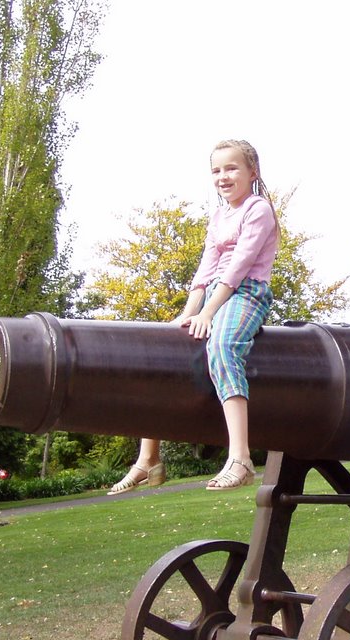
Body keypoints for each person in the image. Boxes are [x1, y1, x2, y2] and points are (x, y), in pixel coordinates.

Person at [108, 139, 279, 494]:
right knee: (165, 351)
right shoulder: (219, 216)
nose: (223, 176)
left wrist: (210, 312)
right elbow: (207, 269)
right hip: (216, 293)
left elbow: (238, 266)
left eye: (231, 168)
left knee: (224, 345)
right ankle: (148, 458)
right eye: (216, 170)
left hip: (246, 292)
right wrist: (189, 313)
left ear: (252, 172)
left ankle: (240, 458)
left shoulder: (258, 209)